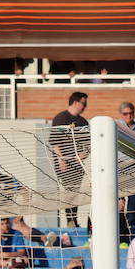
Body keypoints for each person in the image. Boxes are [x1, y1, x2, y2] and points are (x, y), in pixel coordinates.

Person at [49, 92, 88, 227]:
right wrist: (62, 160)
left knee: (75, 192)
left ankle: (73, 219)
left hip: (77, 164)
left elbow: (88, 144)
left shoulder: (83, 122)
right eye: (84, 103)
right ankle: (70, 220)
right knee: (69, 191)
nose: (85, 106)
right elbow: (55, 141)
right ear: (76, 102)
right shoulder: (61, 118)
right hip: (64, 164)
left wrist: (82, 156)